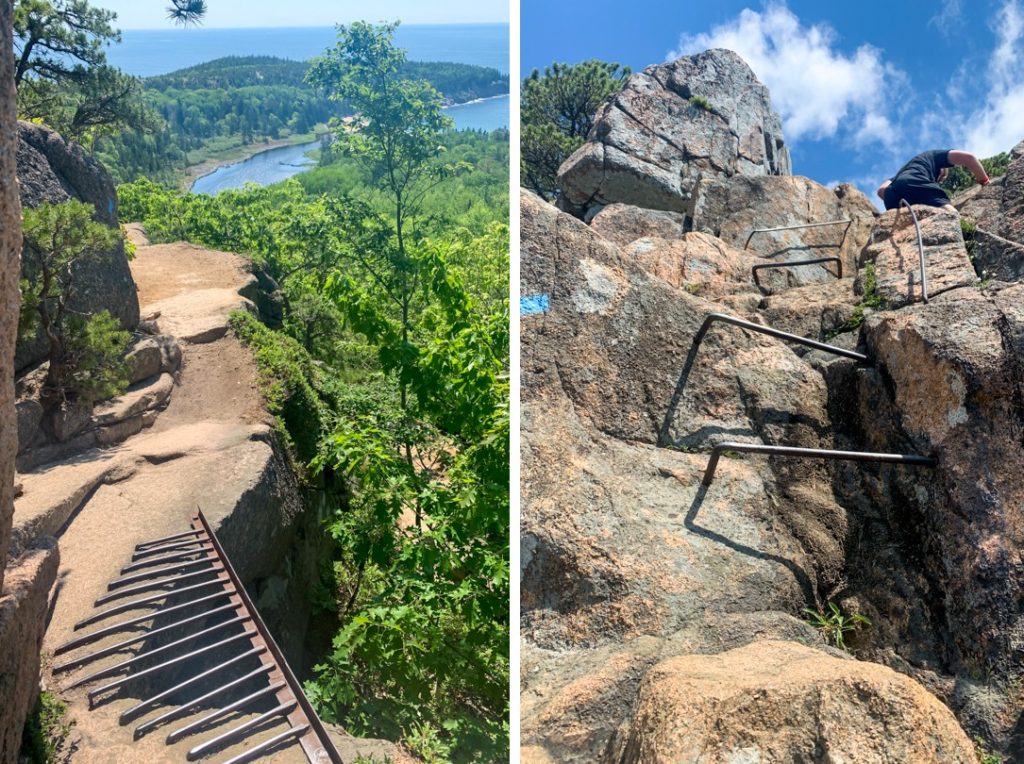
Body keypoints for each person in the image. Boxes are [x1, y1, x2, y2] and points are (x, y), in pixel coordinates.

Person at [876, 149, 990, 212]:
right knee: (951, 215)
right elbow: (968, 158)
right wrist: (985, 182)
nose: (937, 182)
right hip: (916, 181)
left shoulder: (902, 173)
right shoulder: (933, 156)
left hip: (893, 193)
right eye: (939, 179)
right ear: (941, 169)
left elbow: (881, 191)